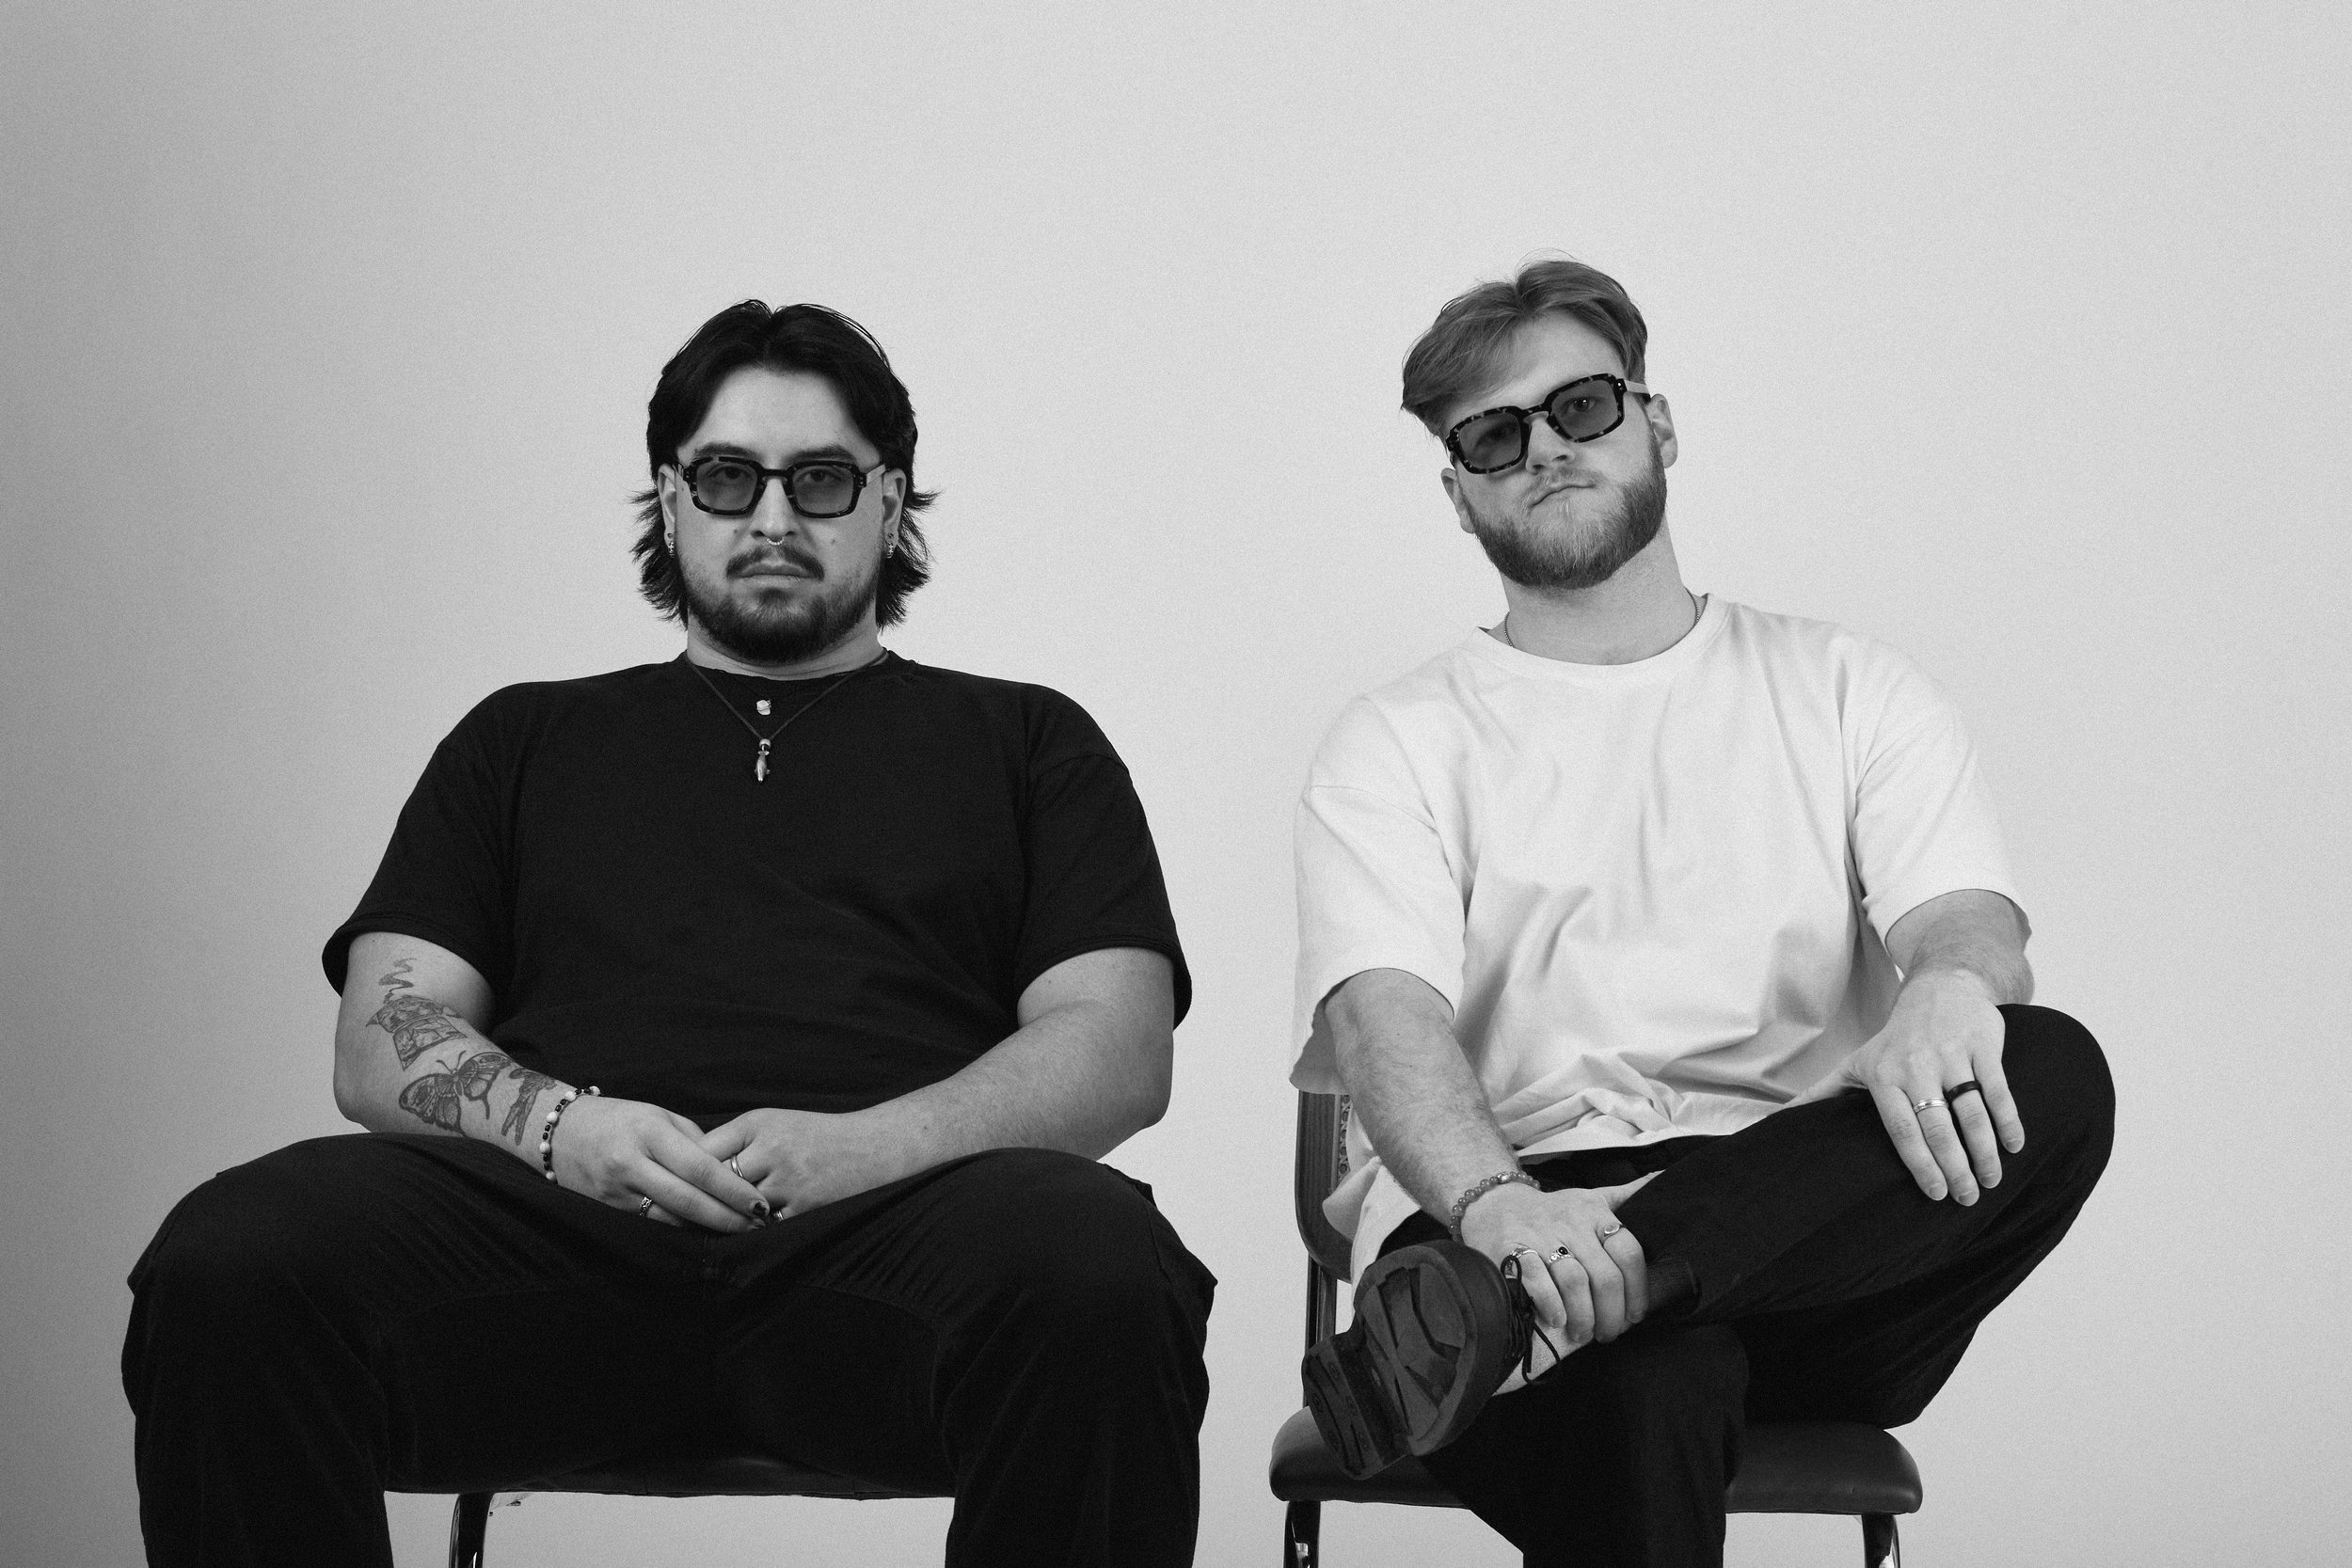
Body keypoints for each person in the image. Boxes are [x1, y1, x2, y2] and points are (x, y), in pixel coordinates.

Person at [122, 301, 1214, 1568]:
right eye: (725, 476)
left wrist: (867, 1150)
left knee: (1102, 1265)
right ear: (671, 496)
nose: (770, 516)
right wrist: (562, 1126)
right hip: (551, 1256)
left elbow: (1120, 1045)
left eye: (819, 480)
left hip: (888, 1265)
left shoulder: (1030, 743)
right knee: (231, 1257)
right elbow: (384, 1032)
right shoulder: (522, 740)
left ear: (892, 500)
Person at [1291, 257, 2112, 1567]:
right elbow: (1386, 1022)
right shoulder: (1395, 743)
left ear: (1657, 423)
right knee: (1652, 1385)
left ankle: (1554, 1308)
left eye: (1583, 409)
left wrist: (1951, 990)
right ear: (1456, 493)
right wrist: (1501, 1219)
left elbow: (1968, 926)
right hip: (1511, 1222)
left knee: (2054, 1066)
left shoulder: (1849, 687)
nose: (1546, 452)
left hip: (1806, 1244)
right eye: (1494, 440)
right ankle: (1544, 1305)